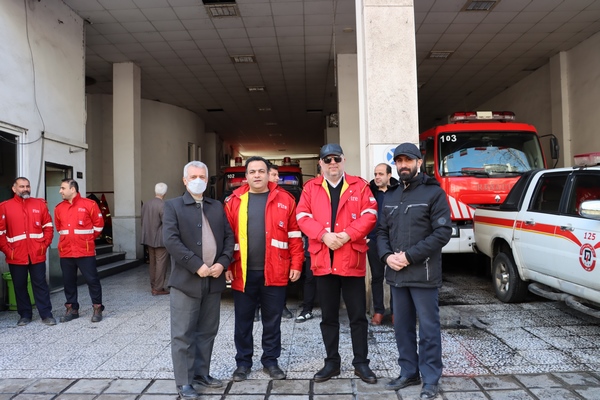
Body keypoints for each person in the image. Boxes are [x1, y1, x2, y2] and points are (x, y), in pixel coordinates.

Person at [296, 143, 378, 384]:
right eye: (327, 159)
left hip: (351, 260)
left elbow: (370, 214)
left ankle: (361, 363)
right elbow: (302, 217)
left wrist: (348, 234)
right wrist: (323, 235)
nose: (332, 163)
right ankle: (332, 363)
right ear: (320, 163)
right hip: (324, 261)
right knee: (328, 317)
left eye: (336, 159)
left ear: (343, 160)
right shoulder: (310, 188)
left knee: (357, 316)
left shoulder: (360, 186)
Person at [376, 143, 452, 399]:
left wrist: (409, 256)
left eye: (408, 160)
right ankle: (408, 372)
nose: (403, 165)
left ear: (419, 162)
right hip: (396, 274)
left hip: (424, 274)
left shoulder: (433, 193)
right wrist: (387, 257)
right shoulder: (391, 195)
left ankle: (430, 378)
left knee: (428, 329)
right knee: (402, 327)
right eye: (399, 161)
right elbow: (381, 232)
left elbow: (442, 232)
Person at [224, 156, 304, 382]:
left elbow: (294, 235)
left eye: (261, 171)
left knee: (272, 321)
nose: (257, 175)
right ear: (246, 176)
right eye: (252, 172)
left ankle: (270, 361)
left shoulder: (285, 199)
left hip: (275, 271)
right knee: (243, 322)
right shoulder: (233, 201)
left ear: (269, 174)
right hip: (242, 272)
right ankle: (243, 363)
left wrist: (297, 263)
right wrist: (227, 264)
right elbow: (227, 237)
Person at [162, 161, 234, 399]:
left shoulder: (216, 206)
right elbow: (171, 240)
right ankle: (184, 382)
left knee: (207, 331)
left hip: (213, 280)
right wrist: (197, 265)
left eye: (202, 176)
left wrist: (222, 263)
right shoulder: (173, 206)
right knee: (183, 334)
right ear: (185, 180)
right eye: (193, 176)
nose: (198, 180)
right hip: (186, 281)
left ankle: (202, 373)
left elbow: (228, 237)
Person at [0, 177, 56, 326]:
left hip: (37, 253)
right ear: (14, 189)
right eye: (22, 186)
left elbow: (48, 227)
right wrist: (8, 251)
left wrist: (44, 245)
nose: (25, 189)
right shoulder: (4, 207)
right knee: (20, 286)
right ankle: (25, 315)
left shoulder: (39, 204)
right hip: (16, 255)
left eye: (27, 186)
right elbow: (0, 233)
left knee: (40, 285)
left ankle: (46, 314)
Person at [55, 179, 105, 323]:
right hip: (66, 251)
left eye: (63, 188)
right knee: (68, 281)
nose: (60, 191)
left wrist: (87, 239)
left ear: (73, 189)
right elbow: (59, 228)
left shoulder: (90, 204)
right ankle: (72, 309)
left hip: (85, 251)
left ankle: (97, 308)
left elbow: (99, 225)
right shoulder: (59, 208)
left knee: (92, 280)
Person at [367, 163, 397, 325]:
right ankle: (378, 311)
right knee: (377, 277)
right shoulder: (369, 191)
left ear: (389, 175)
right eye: (375, 174)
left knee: (394, 278)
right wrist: (365, 236)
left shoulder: (398, 190)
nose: (377, 177)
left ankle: (395, 312)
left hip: (394, 241)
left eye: (380, 174)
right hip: (373, 240)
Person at [141, 182, 170, 296]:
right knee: (161, 264)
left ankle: (153, 285)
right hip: (160, 239)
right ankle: (158, 288)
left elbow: (143, 220)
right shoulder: (164, 205)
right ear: (165, 193)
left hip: (148, 238)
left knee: (152, 263)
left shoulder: (146, 204)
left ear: (155, 191)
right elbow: (166, 223)